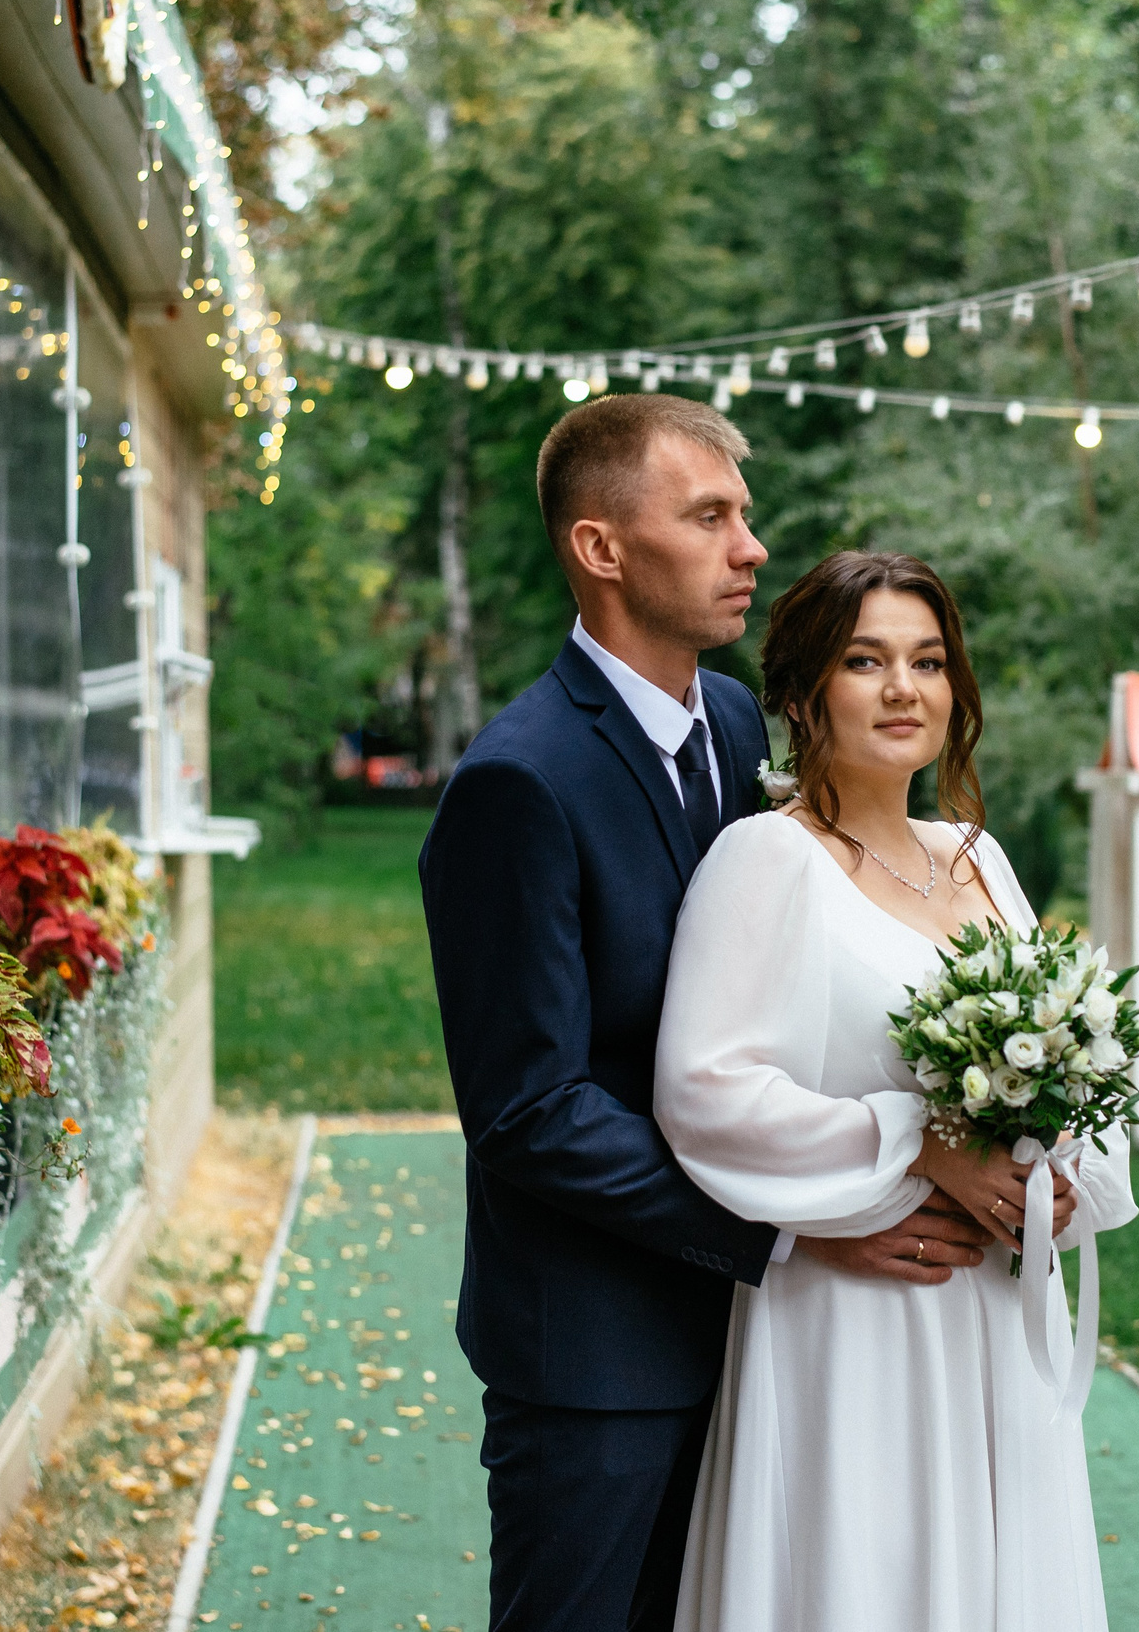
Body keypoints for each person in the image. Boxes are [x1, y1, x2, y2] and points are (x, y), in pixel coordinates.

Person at [419, 399, 994, 1632]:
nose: (751, 547)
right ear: (602, 548)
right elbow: (530, 1110)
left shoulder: (736, 722)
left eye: (745, 516)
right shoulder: (517, 783)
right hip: (598, 1354)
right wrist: (797, 1229)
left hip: (767, 1349)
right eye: (711, 516)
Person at [653, 550, 1139, 1631]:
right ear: (801, 693)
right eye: (864, 659)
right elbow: (706, 1089)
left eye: (927, 660)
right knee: (863, 1575)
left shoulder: (978, 858)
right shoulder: (762, 859)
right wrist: (919, 1146)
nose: (903, 687)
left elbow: (1058, 1058)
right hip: (859, 1310)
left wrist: (1054, 1178)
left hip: (997, 1309)